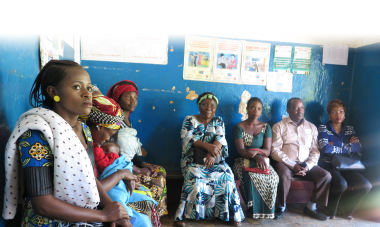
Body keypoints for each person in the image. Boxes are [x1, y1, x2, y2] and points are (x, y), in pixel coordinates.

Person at [3, 60, 131, 227]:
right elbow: (43, 205)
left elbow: (90, 179)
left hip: (84, 215)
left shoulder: (84, 130)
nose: (87, 94)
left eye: (89, 87)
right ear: (53, 92)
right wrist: (104, 216)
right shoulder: (37, 133)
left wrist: (113, 210)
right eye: (77, 87)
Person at [84, 92, 161, 227]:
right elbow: (93, 190)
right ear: (99, 126)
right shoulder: (86, 147)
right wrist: (122, 174)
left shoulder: (92, 143)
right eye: (109, 133)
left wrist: (127, 174)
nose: (108, 139)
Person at [174, 92, 245, 227]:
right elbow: (187, 138)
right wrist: (208, 147)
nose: (208, 108)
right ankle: (181, 216)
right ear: (199, 105)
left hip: (215, 160)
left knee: (227, 176)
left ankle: (234, 215)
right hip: (192, 160)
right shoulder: (189, 119)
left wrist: (212, 154)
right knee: (194, 175)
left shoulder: (218, 120)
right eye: (204, 104)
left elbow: (221, 139)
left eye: (212, 105)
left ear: (216, 108)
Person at [107, 80, 168, 217]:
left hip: (129, 164)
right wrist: (139, 170)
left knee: (160, 170)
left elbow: (131, 153)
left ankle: (156, 216)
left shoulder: (128, 122)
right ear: (117, 98)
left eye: (135, 98)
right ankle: (142, 214)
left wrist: (143, 164)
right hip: (119, 168)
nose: (133, 101)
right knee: (156, 182)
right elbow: (114, 155)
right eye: (127, 97)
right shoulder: (114, 122)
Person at [271, 97, 332, 221]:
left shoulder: (312, 127)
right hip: (286, 163)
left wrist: (307, 166)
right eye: (295, 108)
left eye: (302, 108)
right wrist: (292, 165)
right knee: (283, 175)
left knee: (326, 176)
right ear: (288, 110)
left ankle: (311, 207)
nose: (300, 111)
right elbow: (274, 150)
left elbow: (315, 150)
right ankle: (282, 206)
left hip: (306, 164)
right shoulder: (279, 126)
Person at [318, 99, 372, 220]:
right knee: (341, 183)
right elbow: (325, 149)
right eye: (334, 112)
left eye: (341, 111)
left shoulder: (349, 129)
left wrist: (337, 147)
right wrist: (347, 146)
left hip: (346, 165)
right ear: (329, 114)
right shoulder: (323, 128)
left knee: (366, 185)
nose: (338, 115)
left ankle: (344, 209)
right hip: (328, 164)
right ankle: (329, 210)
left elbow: (358, 148)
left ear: (345, 114)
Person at [232, 97, 279, 219]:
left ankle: (266, 210)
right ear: (247, 109)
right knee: (249, 176)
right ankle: (252, 208)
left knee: (273, 177)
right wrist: (257, 157)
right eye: (252, 107)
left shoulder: (266, 127)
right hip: (242, 161)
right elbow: (241, 150)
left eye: (259, 108)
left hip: (262, 160)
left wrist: (257, 154)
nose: (255, 111)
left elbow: (267, 151)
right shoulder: (238, 127)